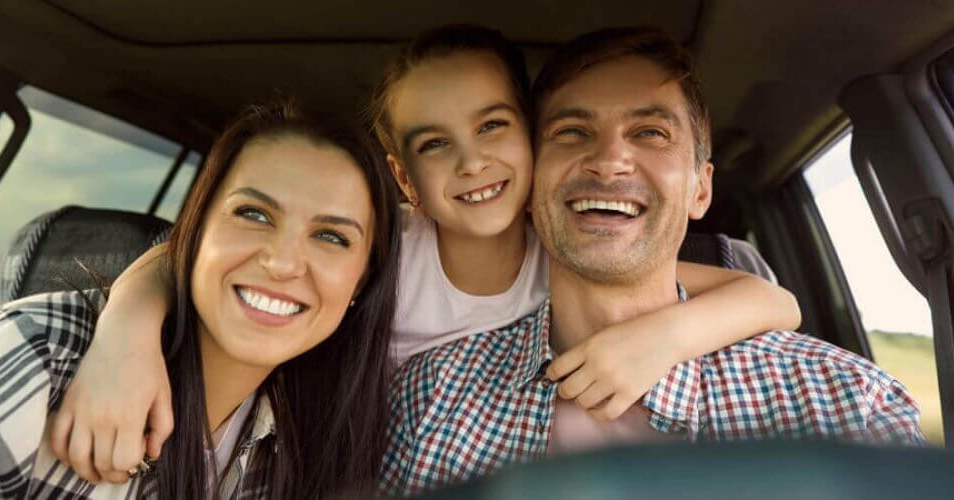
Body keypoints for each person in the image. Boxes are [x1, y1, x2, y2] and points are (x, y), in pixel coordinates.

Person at [50, 26, 802, 484]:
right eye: (436, 145)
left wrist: (660, 336)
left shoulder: (568, 259)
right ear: (405, 176)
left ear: (535, 144)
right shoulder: (378, 240)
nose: (472, 164)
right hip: (329, 456)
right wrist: (124, 331)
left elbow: (771, 300)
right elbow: (199, 260)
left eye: (494, 128)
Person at [380, 27, 926, 496]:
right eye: (571, 132)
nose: (610, 160)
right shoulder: (429, 395)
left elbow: (773, 300)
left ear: (700, 189)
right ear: (528, 181)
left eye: (650, 133)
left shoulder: (846, 402)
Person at [0, 101, 401, 499]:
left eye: (331, 237)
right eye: (254, 214)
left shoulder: (305, 445)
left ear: (362, 283)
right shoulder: (35, 356)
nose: (281, 263)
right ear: (196, 226)